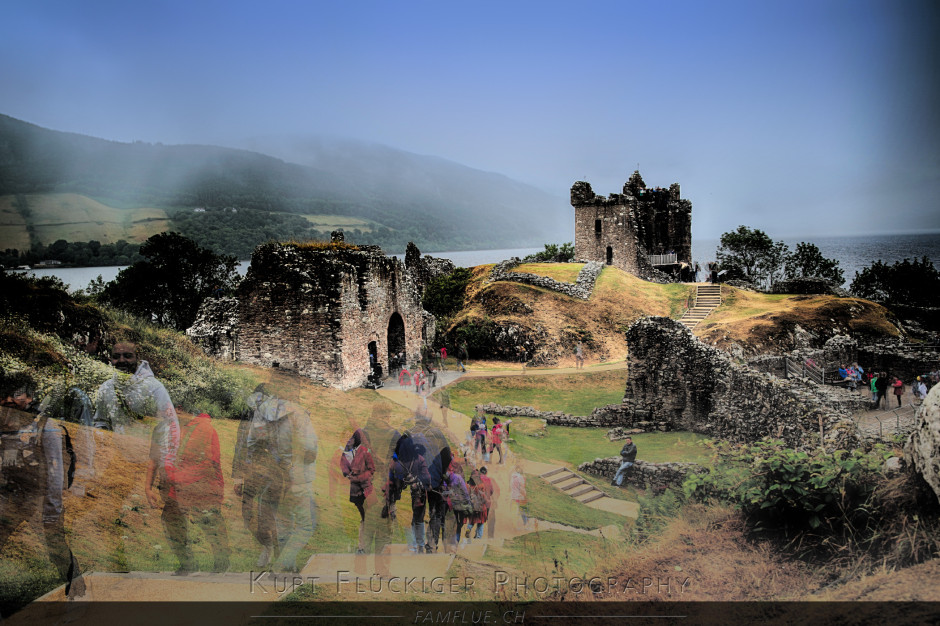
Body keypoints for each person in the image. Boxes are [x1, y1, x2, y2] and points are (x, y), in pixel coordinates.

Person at [93, 341, 180, 569]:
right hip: (119, 463)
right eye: (116, 356)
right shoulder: (105, 389)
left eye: (127, 356)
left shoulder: (154, 388)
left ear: (137, 358)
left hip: (151, 462)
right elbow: (100, 422)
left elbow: (170, 425)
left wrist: (167, 464)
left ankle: (177, 563)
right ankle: (119, 564)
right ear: (110, 359)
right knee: (111, 513)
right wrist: (104, 444)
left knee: (160, 515)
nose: (121, 361)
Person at [0, 371, 84, 598]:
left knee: (55, 548)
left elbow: (56, 473)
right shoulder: (7, 424)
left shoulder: (47, 426)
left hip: (40, 502)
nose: (9, 400)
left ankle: (76, 592)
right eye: (6, 395)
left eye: (17, 395)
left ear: (30, 397)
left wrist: (52, 510)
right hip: (10, 499)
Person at [233, 382, 318, 570]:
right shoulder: (298, 413)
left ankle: (289, 566)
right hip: (296, 475)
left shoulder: (262, 413)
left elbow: (251, 444)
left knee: (283, 522)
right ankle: (282, 566)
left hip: (273, 475)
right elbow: (311, 449)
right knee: (306, 525)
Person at [160, 411, 230, 573]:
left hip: (200, 484)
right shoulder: (183, 427)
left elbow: (207, 462)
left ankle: (222, 562)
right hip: (181, 484)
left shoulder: (203, 428)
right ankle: (189, 564)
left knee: (209, 522)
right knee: (171, 518)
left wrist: (178, 476)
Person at [340, 428, 375, 555]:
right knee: (364, 517)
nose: (349, 441)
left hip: (366, 489)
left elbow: (371, 469)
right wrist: (348, 474)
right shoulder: (345, 453)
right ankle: (363, 547)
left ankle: (363, 546)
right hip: (356, 491)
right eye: (348, 438)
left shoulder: (364, 452)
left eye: (351, 438)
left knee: (367, 517)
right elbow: (343, 467)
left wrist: (359, 477)